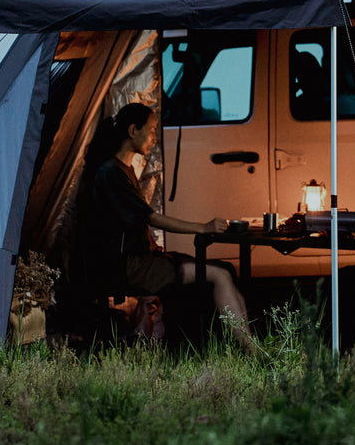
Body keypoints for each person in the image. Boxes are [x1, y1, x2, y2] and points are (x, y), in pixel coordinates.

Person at [82, 102, 255, 351]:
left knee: (225, 268)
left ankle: (247, 343)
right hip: (131, 267)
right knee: (220, 274)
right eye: (151, 131)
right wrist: (203, 228)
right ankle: (250, 351)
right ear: (133, 131)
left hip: (140, 261)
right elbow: (151, 217)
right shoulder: (111, 173)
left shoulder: (123, 169)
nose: (155, 138)